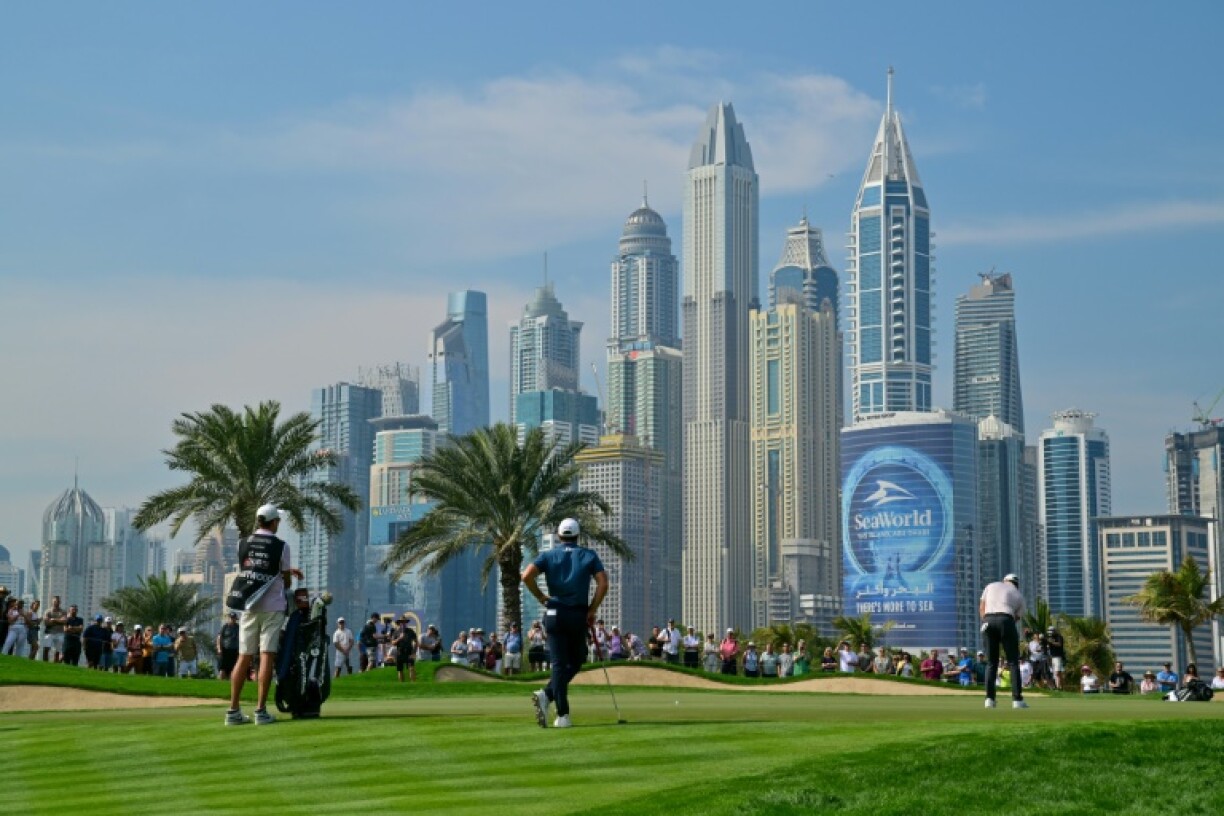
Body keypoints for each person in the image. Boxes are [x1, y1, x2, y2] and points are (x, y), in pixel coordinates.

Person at [521, 517, 608, 729]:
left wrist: (541, 597)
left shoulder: (549, 555)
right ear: (578, 536)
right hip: (576, 614)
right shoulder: (588, 555)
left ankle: (547, 695)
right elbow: (603, 583)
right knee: (576, 660)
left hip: (553, 613)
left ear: (559, 536)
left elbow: (526, 576)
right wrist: (592, 609)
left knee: (562, 664)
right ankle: (562, 714)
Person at [224, 504, 303, 726]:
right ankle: (260, 711)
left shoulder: (243, 543)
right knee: (267, 655)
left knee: (244, 656)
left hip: (249, 605)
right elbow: (285, 580)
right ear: (274, 522)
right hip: (273, 607)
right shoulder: (281, 546)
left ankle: (233, 711)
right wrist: (287, 577)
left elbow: (254, 569)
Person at [980, 573, 1028, 709]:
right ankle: (1017, 700)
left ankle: (989, 699)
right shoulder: (1018, 595)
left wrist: (986, 622)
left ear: (1004, 580)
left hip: (988, 620)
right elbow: (1016, 618)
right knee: (1013, 662)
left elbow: (981, 608)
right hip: (1007, 620)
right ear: (1016, 584)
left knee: (991, 662)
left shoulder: (991, 586)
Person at [41, 596, 67, 663]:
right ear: (52, 602)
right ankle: (45, 663)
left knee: (57, 650)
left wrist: (53, 620)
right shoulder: (48, 611)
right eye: (55, 601)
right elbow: (46, 622)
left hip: (59, 633)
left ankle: (55, 664)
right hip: (49, 632)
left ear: (60, 602)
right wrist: (59, 621)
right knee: (46, 648)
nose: (56, 603)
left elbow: (64, 621)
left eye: (58, 601)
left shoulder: (63, 612)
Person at [217, 612, 240, 680]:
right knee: (222, 668)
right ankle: (221, 682)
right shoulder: (225, 627)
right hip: (225, 649)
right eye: (231, 618)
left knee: (233, 668)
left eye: (234, 618)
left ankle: (231, 682)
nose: (232, 619)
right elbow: (219, 638)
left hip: (234, 650)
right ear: (229, 618)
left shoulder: (238, 627)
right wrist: (219, 649)